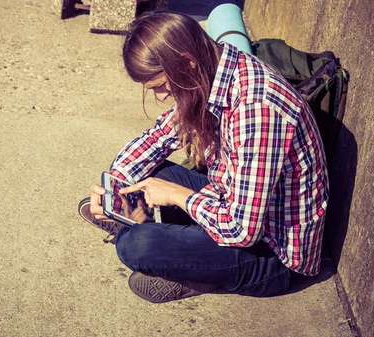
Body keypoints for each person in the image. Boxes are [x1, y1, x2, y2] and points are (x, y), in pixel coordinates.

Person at [78, 11, 329, 303]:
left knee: (136, 245)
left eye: (160, 86)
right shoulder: (213, 69)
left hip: (274, 253)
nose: (160, 97)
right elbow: (158, 138)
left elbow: (242, 231)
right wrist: (115, 184)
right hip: (231, 198)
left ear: (187, 62)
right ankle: (133, 218)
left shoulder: (257, 112)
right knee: (143, 175)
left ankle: (196, 271)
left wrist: (178, 196)